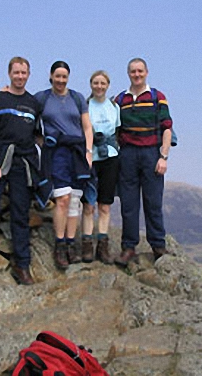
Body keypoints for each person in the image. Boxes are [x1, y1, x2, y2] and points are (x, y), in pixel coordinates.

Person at [0, 56, 41, 285]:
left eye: (24, 73)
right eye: (16, 73)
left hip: (24, 162)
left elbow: (39, 136)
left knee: (20, 213)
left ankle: (22, 265)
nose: (20, 76)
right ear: (9, 74)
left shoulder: (34, 104)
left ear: (29, 74)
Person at [114, 58, 174, 266]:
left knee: (153, 202)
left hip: (151, 154)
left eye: (140, 71)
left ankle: (158, 245)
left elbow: (167, 127)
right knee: (128, 204)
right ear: (128, 73)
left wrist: (163, 156)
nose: (137, 74)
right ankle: (129, 247)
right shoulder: (120, 100)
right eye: (133, 71)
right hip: (128, 154)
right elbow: (109, 125)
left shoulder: (158, 97)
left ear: (147, 72)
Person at [35, 61, 93, 270]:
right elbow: (30, 121)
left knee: (75, 201)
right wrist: (42, 143)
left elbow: (87, 127)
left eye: (64, 77)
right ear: (51, 76)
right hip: (56, 152)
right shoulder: (41, 98)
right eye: (57, 76)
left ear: (68, 77)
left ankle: (71, 244)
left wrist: (88, 151)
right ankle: (60, 245)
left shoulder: (77, 98)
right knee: (62, 199)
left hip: (77, 152)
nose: (60, 80)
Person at [81, 71, 120, 264]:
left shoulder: (114, 107)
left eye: (103, 83)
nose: (99, 86)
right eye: (95, 83)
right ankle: (87, 244)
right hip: (90, 158)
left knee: (105, 205)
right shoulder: (85, 106)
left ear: (108, 85)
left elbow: (118, 132)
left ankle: (102, 246)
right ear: (91, 85)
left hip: (111, 158)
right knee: (88, 205)